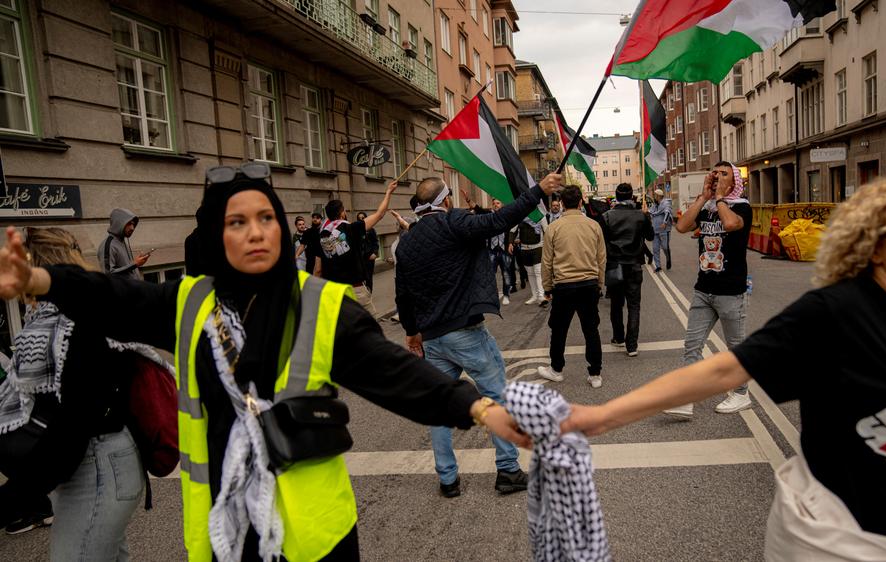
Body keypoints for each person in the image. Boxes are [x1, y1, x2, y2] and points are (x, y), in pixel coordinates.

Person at [0, 164, 530, 562]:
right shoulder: (188, 303)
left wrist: (478, 408)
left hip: (313, 539)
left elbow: (396, 374)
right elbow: (113, 298)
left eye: (265, 219)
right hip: (225, 534)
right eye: (237, 221)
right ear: (216, 235)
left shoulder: (321, 305)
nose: (255, 232)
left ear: (280, 229)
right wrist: (41, 281)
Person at [562, 174, 886, 560]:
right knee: (703, 345)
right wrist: (601, 417)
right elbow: (722, 371)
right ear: (877, 243)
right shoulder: (836, 312)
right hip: (839, 544)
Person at [395, 172, 561, 498]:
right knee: (496, 399)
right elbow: (500, 220)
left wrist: (412, 332)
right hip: (466, 332)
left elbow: (402, 295)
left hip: (432, 337)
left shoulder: (407, 242)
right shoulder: (455, 224)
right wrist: (536, 191)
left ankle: (447, 479)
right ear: (445, 200)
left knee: (439, 409)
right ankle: (509, 471)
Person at [0, 227, 143, 558]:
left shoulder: (71, 324)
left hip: (96, 466)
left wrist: (12, 499)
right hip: (97, 463)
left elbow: (72, 428)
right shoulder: (64, 316)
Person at [666, 162, 754, 418]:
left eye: (724, 173)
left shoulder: (741, 207)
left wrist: (720, 198)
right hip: (703, 289)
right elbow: (682, 227)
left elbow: (729, 224)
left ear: (735, 180)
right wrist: (705, 197)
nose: (717, 177)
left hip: (731, 291)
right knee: (692, 345)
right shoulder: (707, 207)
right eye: (714, 173)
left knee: (735, 346)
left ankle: (741, 393)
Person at [537, 185, 606, 388]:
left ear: (563, 204)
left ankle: (556, 369)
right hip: (588, 283)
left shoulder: (554, 228)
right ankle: (595, 374)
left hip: (564, 286)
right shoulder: (593, 226)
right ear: (580, 202)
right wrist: (599, 284)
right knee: (591, 329)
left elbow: (547, 261)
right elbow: (601, 259)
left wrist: (547, 288)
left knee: (558, 329)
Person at [315, 182, 397, 317]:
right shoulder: (351, 229)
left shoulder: (322, 236)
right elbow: (380, 214)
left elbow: (318, 269)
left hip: (334, 292)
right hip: (355, 290)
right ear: (342, 213)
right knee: (369, 331)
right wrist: (388, 192)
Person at [602, 183, 653, 357]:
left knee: (616, 304)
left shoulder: (607, 216)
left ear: (616, 196)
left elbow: (602, 241)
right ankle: (632, 345)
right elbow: (651, 236)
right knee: (634, 305)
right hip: (634, 264)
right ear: (632, 196)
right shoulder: (641, 215)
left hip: (614, 264)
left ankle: (618, 337)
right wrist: (647, 218)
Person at [97, 208, 147, 279]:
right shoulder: (109, 245)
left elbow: (126, 269)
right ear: (119, 223)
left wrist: (138, 262)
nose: (132, 228)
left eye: (133, 224)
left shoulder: (122, 241)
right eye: (129, 223)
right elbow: (108, 274)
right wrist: (134, 264)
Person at [487, 198, 515, 305]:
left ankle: (506, 294)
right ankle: (494, 295)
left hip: (504, 249)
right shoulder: (489, 217)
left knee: (506, 273)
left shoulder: (507, 216)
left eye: (498, 203)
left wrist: (511, 243)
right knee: (491, 274)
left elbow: (512, 229)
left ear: (501, 204)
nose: (496, 205)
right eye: (494, 203)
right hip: (492, 249)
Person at [515, 217, 546, 306]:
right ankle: (534, 296)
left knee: (538, 272)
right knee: (530, 273)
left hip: (538, 247)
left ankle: (541, 296)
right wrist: (510, 242)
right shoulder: (521, 215)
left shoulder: (540, 215)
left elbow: (546, 230)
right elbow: (513, 229)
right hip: (525, 248)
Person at [650, 188, 674, 271]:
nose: (654, 197)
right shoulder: (654, 205)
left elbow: (667, 212)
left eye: (655, 195)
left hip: (664, 230)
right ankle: (658, 266)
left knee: (665, 247)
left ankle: (668, 258)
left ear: (659, 196)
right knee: (655, 248)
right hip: (655, 230)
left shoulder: (665, 204)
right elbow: (651, 213)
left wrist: (664, 222)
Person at [356, 211, 379, 293]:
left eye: (363, 218)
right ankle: (363, 293)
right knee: (361, 277)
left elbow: (375, 242)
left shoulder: (371, 229)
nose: (361, 219)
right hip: (360, 258)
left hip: (369, 257)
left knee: (369, 277)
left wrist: (375, 253)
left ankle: (369, 293)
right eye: (359, 218)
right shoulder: (356, 231)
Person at [296, 211, 323, 276]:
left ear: (321, 220)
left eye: (317, 218)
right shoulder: (307, 232)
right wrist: (296, 255)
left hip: (322, 261)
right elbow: (302, 245)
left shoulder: (324, 231)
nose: (315, 219)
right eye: (313, 217)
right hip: (310, 261)